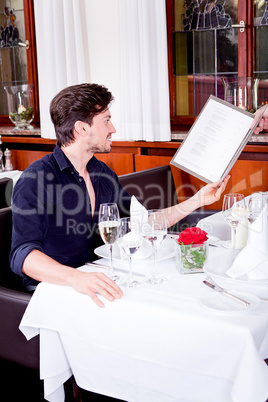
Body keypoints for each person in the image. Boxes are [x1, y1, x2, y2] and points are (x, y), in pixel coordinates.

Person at [10, 83, 229, 308]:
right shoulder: (36, 178)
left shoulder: (102, 173)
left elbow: (142, 223)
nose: (112, 128)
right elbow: (23, 256)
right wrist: (76, 278)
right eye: (106, 120)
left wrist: (198, 200)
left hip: (98, 280)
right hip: (55, 290)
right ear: (81, 128)